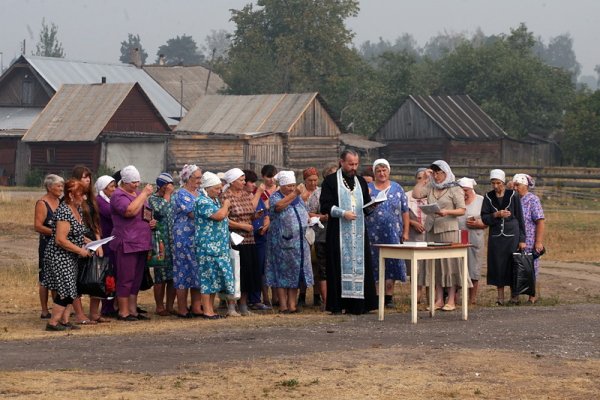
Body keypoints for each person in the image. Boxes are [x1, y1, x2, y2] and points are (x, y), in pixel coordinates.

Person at [319, 150, 378, 315]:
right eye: (350, 164)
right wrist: (342, 213)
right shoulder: (330, 181)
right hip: (338, 231)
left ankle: (360, 305)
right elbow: (325, 205)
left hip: (358, 231)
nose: (354, 167)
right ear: (342, 162)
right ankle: (338, 305)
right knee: (337, 265)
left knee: (361, 265)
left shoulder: (360, 181)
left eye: (356, 164)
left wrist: (372, 206)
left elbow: (365, 205)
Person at [412, 160, 468, 312]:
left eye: (439, 173)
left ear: (446, 172)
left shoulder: (454, 188)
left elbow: (462, 210)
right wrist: (424, 178)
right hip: (432, 229)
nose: (436, 176)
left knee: (449, 264)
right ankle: (438, 299)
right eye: (434, 173)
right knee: (435, 264)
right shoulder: (430, 186)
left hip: (448, 229)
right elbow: (416, 194)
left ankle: (450, 299)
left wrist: (447, 212)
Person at [43, 179, 92, 331]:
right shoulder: (64, 210)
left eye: (84, 194)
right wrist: (80, 250)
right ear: (70, 195)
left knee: (72, 289)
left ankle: (64, 321)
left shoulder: (77, 209)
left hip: (70, 257)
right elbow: (60, 239)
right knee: (66, 290)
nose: (83, 198)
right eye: (81, 194)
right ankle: (53, 323)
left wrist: (87, 240)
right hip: (60, 256)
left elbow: (75, 232)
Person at [110, 165, 156, 321]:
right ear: (124, 182)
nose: (137, 185)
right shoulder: (118, 195)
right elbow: (129, 211)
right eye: (133, 183)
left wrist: (151, 222)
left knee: (136, 278)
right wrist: (143, 194)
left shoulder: (137, 194)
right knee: (125, 277)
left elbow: (144, 212)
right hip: (126, 242)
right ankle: (123, 311)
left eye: (138, 182)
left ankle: (132, 309)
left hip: (141, 242)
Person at [265, 171, 314, 313]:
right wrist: (295, 194)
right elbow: (278, 207)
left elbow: (303, 211)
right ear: (281, 185)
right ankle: (283, 305)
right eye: (288, 186)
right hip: (282, 243)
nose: (292, 188)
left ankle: (292, 305)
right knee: (282, 273)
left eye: (293, 185)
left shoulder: (298, 199)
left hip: (299, 243)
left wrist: (309, 220)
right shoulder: (276, 197)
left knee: (295, 273)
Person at [365, 159, 410, 309]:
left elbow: (405, 211)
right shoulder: (368, 188)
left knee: (392, 262)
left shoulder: (397, 188)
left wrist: (405, 231)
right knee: (375, 262)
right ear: (374, 173)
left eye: (384, 170)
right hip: (372, 232)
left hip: (392, 232)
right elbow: (361, 208)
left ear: (389, 171)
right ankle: (377, 295)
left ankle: (389, 296)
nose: (382, 173)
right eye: (378, 171)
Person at [220, 168, 265, 316]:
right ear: (232, 181)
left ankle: (244, 305)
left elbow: (248, 213)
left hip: (249, 239)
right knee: (235, 272)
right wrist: (241, 225)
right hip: (235, 239)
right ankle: (231, 306)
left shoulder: (246, 195)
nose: (244, 182)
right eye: (241, 180)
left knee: (247, 273)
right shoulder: (225, 196)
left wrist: (254, 217)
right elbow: (224, 219)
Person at [481, 169, 526, 306]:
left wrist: (522, 239)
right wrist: (496, 215)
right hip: (496, 237)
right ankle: (500, 296)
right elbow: (484, 218)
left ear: (503, 182)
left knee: (513, 264)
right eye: (493, 183)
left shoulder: (513, 195)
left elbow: (520, 218)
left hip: (512, 235)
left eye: (498, 183)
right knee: (498, 265)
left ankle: (515, 296)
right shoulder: (488, 197)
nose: (495, 186)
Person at [194, 172, 235, 319]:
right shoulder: (202, 201)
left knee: (214, 280)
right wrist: (226, 205)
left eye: (220, 188)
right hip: (207, 247)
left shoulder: (213, 201)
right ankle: (207, 310)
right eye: (217, 188)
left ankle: (211, 309)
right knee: (207, 279)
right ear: (208, 188)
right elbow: (219, 216)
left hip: (218, 247)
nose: (219, 191)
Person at [71, 165, 104, 324]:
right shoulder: (72, 199)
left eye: (89, 177)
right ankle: (79, 314)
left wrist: (99, 242)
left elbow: (95, 221)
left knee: (95, 276)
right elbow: (72, 225)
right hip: (79, 240)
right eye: (84, 177)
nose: (88, 180)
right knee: (78, 279)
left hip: (94, 240)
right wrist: (86, 241)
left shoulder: (91, 197)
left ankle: (94, 313)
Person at [171, 164, 203, 318]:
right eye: (197, 178)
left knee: (197, 271)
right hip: (183, 239)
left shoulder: (201, 193)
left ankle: (196, 307)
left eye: (200, 177)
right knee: (183, 272)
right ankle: (182, 309)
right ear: (188, 178)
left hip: (198, 238)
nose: (199, 180)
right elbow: (192, 213)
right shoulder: (180, 194)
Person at [512, 173, 545, 304]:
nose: (515, 188)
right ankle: (515, 296)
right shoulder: (513, 199)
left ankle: (532, 296)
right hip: (516, 238)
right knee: (515, 266)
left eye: (517, 185)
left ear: (525, 186)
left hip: (530, 239)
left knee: (531, 267)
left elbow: (540, 221)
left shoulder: (533, 200)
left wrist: (538, 242)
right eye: (514, 185)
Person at [34, 174, 64, 319]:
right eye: (58, 186)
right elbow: (38, 226)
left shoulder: (60, 201)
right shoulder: (42, 203)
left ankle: (57, 307)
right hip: (47, 244)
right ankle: (45, 310)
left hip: (60, 244)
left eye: (62, 186)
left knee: (56, 276)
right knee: (45, 277)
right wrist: (56, 232)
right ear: (49, 187)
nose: (61, 189)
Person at [148, 172, 176, 316]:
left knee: (173, 276)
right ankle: (160, 306)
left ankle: (170, 306)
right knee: (160, 276)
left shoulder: (174, 198)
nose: (171, 187)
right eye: (168, 185)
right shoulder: (153, 199)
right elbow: (160, 212)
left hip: (174, 241)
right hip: (160, 242)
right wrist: (167, 196)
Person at [244, 169, 271, 311]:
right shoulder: (244, 197)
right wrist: (259, 192)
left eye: (255, 182)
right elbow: (250, 209)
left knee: (259, 269)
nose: (253, 185)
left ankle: (256, 298)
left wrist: (266, 222)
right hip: (248, 237)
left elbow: (265, 212)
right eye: (251, 182)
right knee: (248, 268)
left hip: (261, 237)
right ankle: (247, 299)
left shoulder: (257, 196)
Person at [456, 177, 487, 305]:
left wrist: (479, 224)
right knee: (457, 266)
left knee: (474, 268)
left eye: (466, 190)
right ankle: (456, 298)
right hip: (458, 237)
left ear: (471, 189)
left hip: (475, 237)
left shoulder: (481, 201)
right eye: (461, 190)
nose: (464, 193)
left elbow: (488, 220)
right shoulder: (457, 201)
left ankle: (472, 299)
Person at [302, 166, 328, 308]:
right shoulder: (301, 194)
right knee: (304, 264)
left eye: (315, 180)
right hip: (304, 230)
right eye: (309, 180)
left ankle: (317, 295)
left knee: (318, 265)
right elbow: (303, 211)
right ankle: (302, 294)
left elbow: (323, 209)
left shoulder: (320, 192)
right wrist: (318, 216)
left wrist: (319, 216)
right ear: (305, 180)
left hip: (319, 231)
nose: (312, 183)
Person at [95, 175, 117, 318]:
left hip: (112, 240)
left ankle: (113, 304)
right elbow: (112, 213)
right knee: (107, 273)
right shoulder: (100, 201)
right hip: (105, 240)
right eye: (111, 187)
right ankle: (106, 307)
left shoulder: (108, 200)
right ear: (103, 188)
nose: (115, 190)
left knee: (113, 272)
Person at [406, 168, 428, 303]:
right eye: (420, 178)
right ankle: (416, 296)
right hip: (414, 236)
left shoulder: (432, 195)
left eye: (425, 179)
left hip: (429, 235)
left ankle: (430, 297)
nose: (423, 181)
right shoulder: (407, 196)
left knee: (429, 266)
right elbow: (401, 215)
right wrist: (413, 222)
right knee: (415, 268)